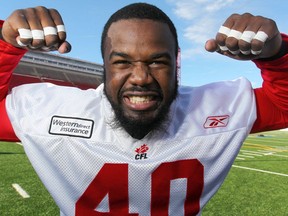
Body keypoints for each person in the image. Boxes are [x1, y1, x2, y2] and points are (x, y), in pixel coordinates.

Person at [0, 2, 287, 215]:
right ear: (105, 67)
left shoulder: (213, 109)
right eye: (122, 62)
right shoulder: (55, 112)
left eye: (157, 62)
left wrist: (276, 53)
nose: (140, 77)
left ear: (177, 66)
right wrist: (6, 43)